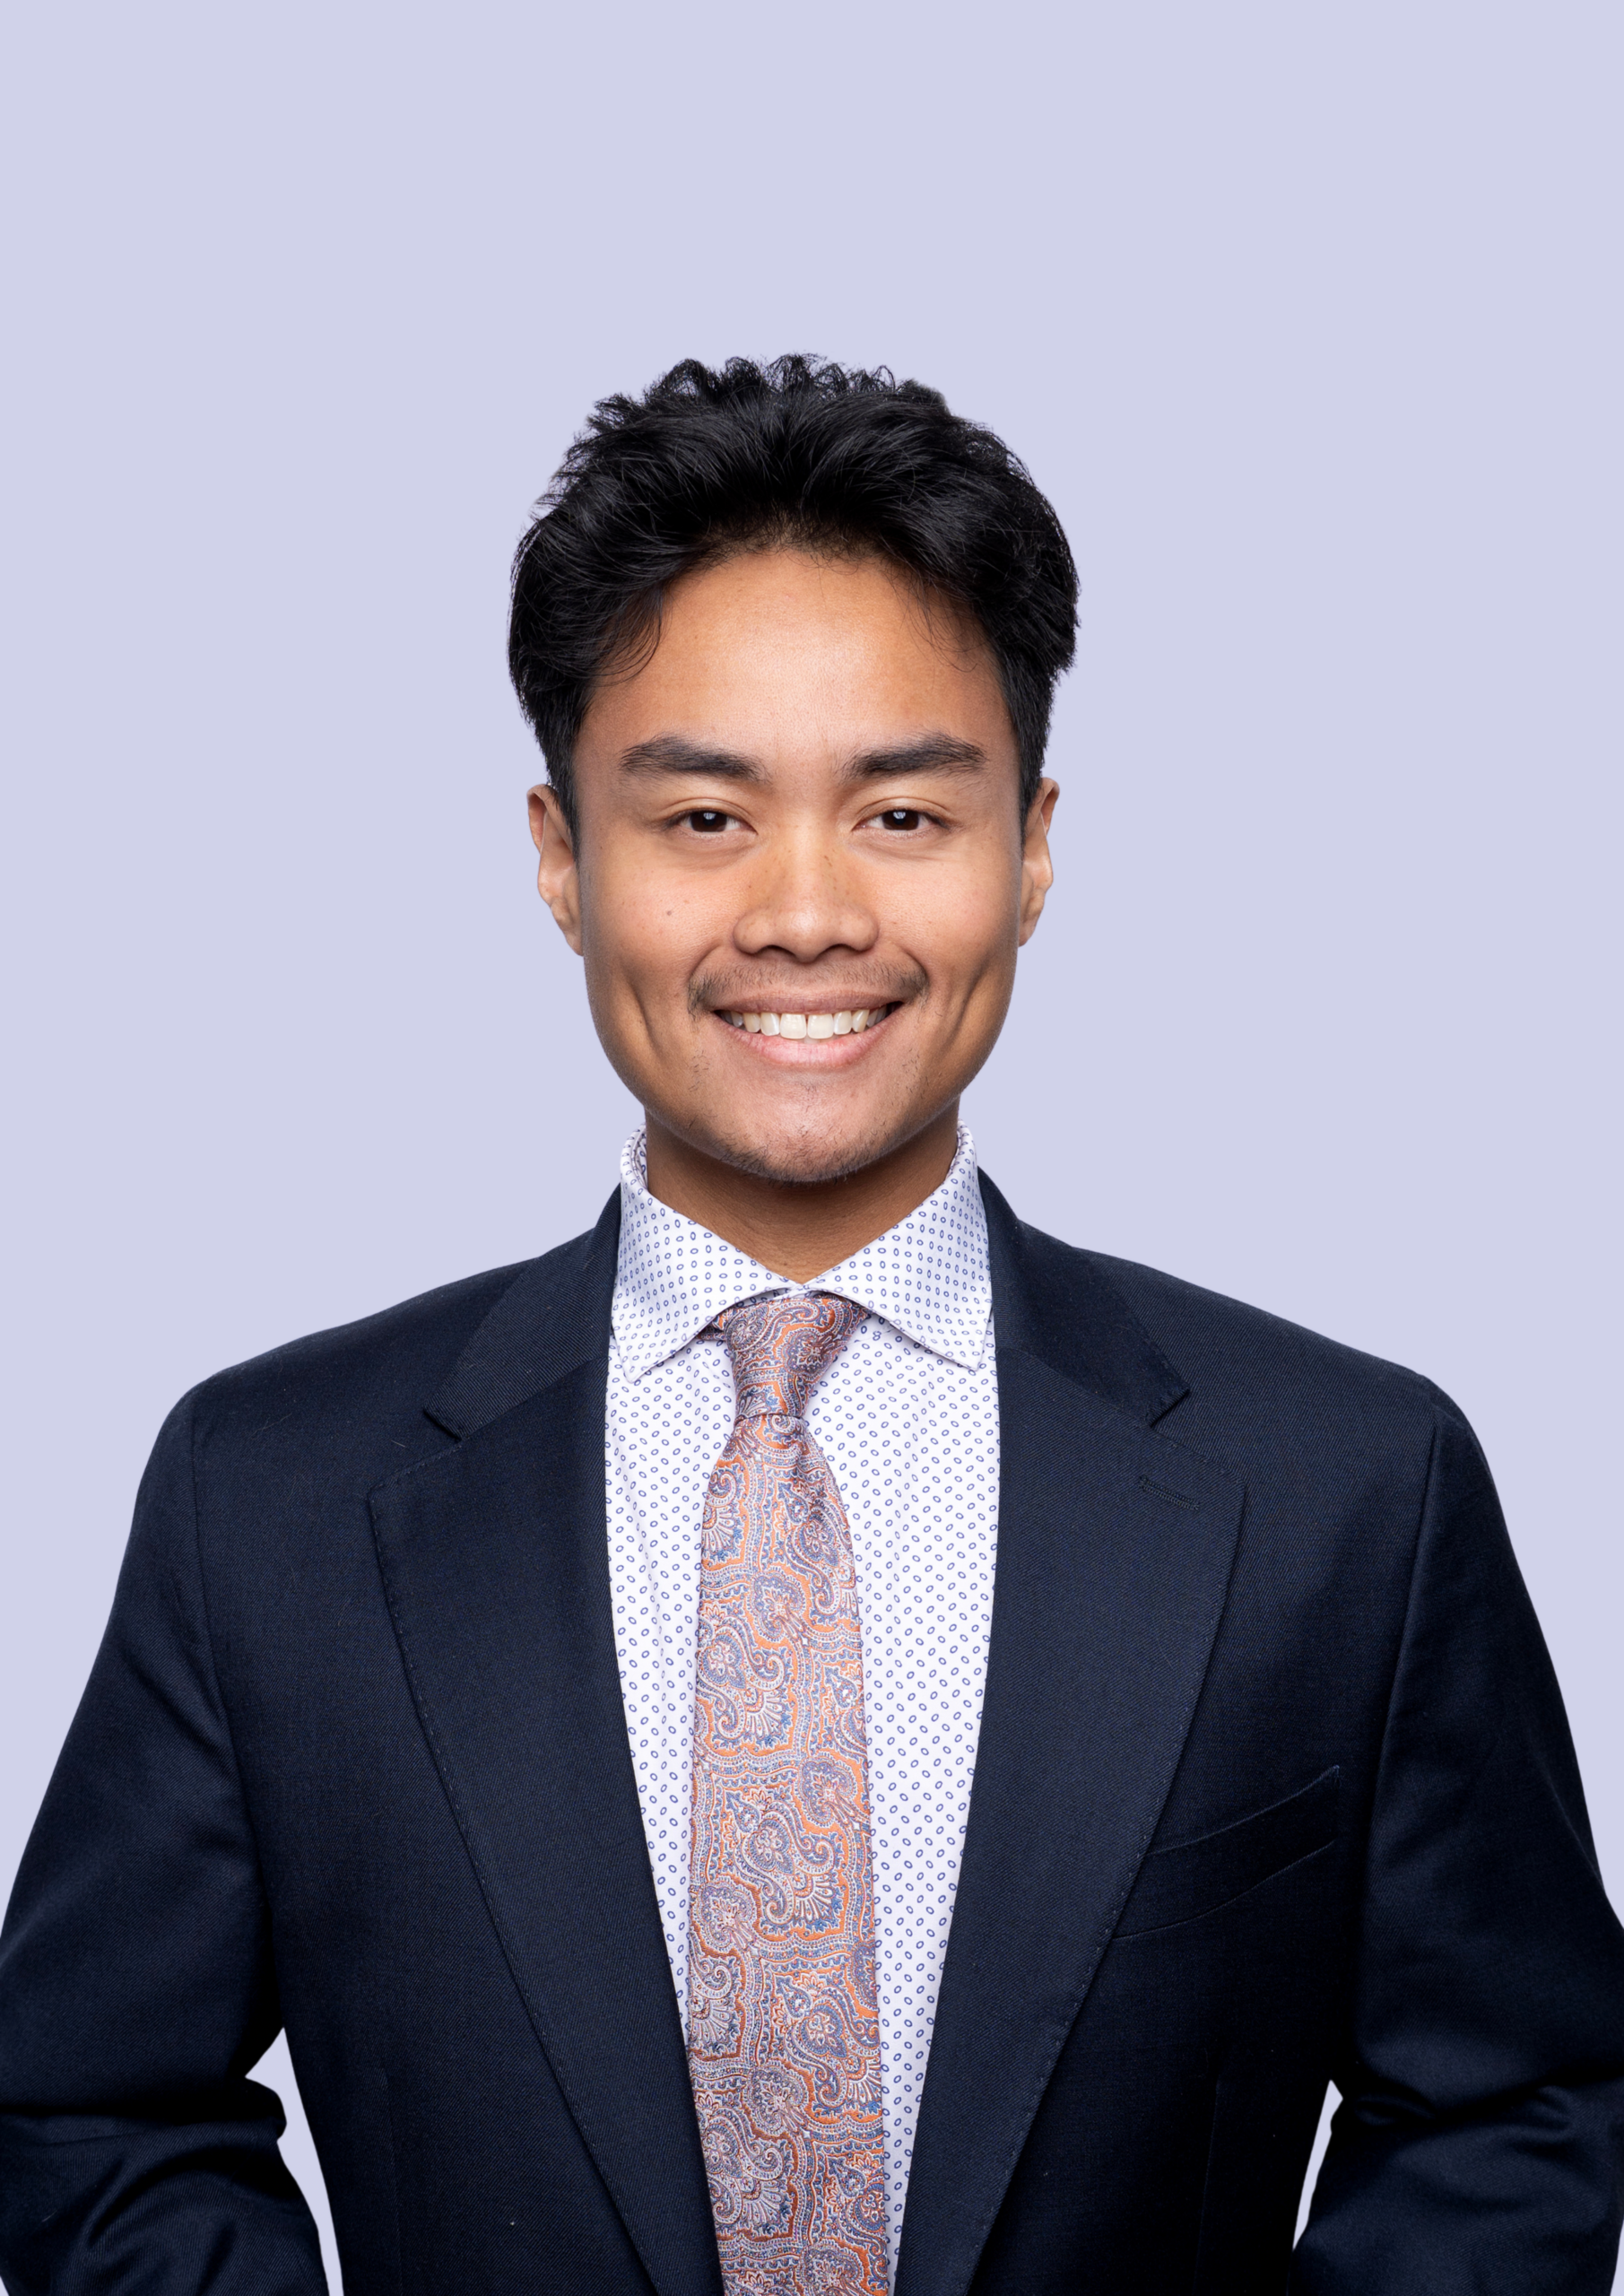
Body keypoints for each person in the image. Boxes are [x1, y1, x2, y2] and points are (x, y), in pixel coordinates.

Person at [1, 354, 1620, 2296]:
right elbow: (86, 2104)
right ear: (560, 856)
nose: (802, 912)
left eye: (900, 812)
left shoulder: (1342, 1487)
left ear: (1029, 847)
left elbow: (1513, 2104)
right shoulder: (270, 1496)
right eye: (702, 814)